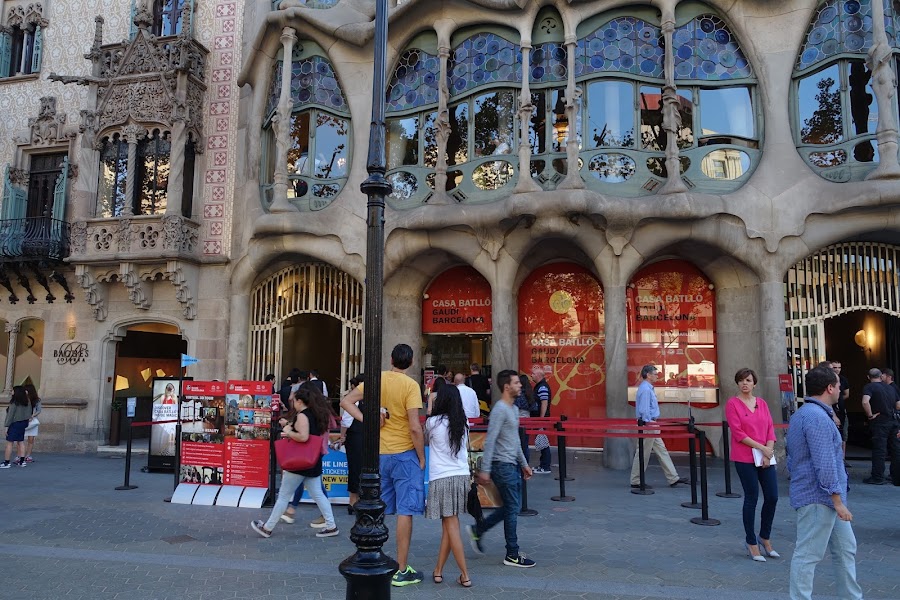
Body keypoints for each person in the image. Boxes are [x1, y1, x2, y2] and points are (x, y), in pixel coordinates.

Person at [341, 343, 425, 587]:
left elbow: (346, 402)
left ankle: (375, 557)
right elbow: (414, 426)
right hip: (404, 453)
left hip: (380, 455)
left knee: (382, 509)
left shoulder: (376, 380)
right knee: (405, 510)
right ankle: (400, 569)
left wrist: (367, 420)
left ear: (391, 359)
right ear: (410, 362)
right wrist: (421, 456)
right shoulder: (411, 385)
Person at [787, 365, 862, 600]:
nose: (841, 389)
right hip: (819, 499)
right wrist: (837, 500)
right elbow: (825, 462)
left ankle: (851, 597)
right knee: (808, 555)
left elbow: (793, 459)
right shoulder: (816, 417)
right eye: (839, 385)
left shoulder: (807, 414)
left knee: (845, 550)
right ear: (830, 388)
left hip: (823, 498)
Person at [466, 369, 535, 568]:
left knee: (510, 507)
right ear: (507, 387)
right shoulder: (500, 410)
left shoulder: (512, 409)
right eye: (516, 383)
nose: (520, 385)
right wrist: (486, 469)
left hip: (511, 464)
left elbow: (514, 441)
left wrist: (524, 464)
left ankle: (479, 530)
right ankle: (512, 553)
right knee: (513, 508)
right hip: (502, 466)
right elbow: (491, 440)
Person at [251, 385, 339, 539]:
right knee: (318, 494)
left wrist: (288, 431)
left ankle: (267, 527)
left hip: (299, 463)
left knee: (284, 496)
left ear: (300, 401)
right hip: (313, 460)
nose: (292, 402)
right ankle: (331, 525)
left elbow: (303, 437)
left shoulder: (303, 415)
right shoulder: (316, 414)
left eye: (294, 400)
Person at [725, 368, 778, 562]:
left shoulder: (762, 403)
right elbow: (738, 433)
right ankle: (751, 541)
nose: (744, 383)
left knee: (772, 496)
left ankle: (764, 537)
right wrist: (761, 448)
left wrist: (768, 450)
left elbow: (770, 428)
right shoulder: (733, 404)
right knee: (752, 497)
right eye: (741, 380)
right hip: (745, 456)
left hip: (765, 456)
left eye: (748, 380)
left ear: (754, 383)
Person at [425, 384, 472, 588]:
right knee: (448, 526)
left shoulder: (433, 423)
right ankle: (438, 570)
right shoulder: (463, 422)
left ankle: (465, 574)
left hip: (441, 478)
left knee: (451, 526)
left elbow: (425, 439)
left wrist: (429, 401)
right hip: (461, 477)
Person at [629, 364, 689, 489]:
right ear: (648, 375)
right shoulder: (646, 389)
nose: (657, 376)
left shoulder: (647, 388)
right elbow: (644, 409)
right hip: (649, 424)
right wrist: (648, 424)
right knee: (643, 453)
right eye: (655, 374)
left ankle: (673, 478)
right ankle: (636, 480)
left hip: (651, 423)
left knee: (661, 451)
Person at [860, 368, 900, 485]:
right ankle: (896, 477)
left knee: (879, 450)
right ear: (881, 376)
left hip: (880, 422)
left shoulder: (869, 387)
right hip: (893, 421)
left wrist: (870, 415)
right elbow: (898, 405)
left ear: (868, 377)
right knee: (896, 450)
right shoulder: (891, 387)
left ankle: (877, 477)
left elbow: (865, 401)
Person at [336, 373, 364, 512]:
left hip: (355, 438)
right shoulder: (374, 400)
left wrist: (342, 437)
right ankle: (360, 499)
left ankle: (353, 501)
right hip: (367, 439)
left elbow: (346, 421)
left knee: (354, 468)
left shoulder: (353, 401)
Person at [2, 386, 32, 468]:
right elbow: (29, 413)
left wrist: (6, 427)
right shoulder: (27, 401)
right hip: (23, 423)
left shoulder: (14, 402)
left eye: (12, 390)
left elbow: (10, 415)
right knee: (21, 441)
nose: (11, 391)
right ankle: (22, 461)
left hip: (15, 423)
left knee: (9, 443)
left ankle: (6, 462)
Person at [530, 365, 553, 474]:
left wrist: (541, 419)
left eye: (533, 374)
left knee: (543, 442)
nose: (531, 375)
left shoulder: (542, 387)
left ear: (538, 375)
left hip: (541, 419)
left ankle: (545, 466)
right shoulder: (539, 386)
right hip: (539, 418)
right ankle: (543, 464)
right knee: (541, 441)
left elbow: (544, 403)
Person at [830, 360, 850, 459]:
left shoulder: (844, 380)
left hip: (841, 410)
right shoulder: (827, 380)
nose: (837, 370)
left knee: (843, 434)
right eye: (835, 367)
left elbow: (847, 394)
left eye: (839, 367)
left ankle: (842, 458)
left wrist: (839, 399)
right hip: (830, 410)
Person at [514, 374, 535, 464]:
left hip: (519, 419)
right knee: (525, 444)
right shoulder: (529, 393)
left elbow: (516, 406)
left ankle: (520, 464)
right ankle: (526, 463)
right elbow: (534, 407)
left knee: (518, 444)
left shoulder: (519, 394)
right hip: (527, 418)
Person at [22, 384, 42, 463]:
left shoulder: (37, 400)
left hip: (32, 420)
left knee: (31, 439)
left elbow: (39, 410)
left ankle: (28, 456)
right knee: (20, 439)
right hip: (23, 420)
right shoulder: (23, 399)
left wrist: (32, 416)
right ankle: (20, 455)